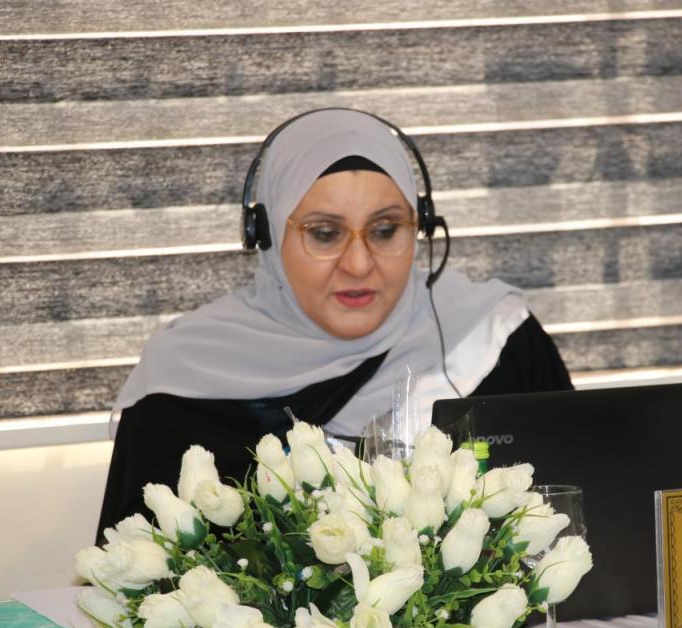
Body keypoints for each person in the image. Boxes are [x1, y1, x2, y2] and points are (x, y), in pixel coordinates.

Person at [95, 108, 572, 539]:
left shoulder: (496, 341)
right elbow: (136, 580)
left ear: (420, 225)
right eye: (324, 234)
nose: (359, 264)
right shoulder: (183, 383)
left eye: (386, 230)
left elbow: (581, 523)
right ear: (266, 236)